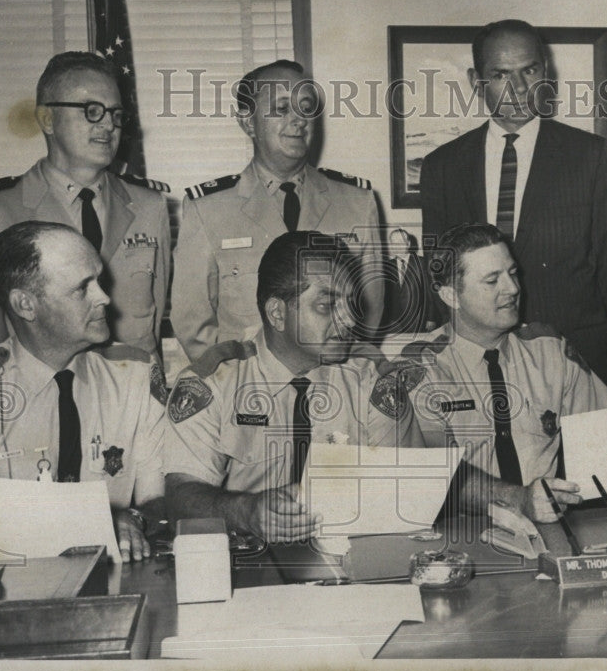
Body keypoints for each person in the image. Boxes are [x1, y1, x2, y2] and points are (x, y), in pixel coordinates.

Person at [0, 221, 166, 562]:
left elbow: (159, 498)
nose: (104, 298)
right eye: (82, 288)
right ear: (26, 304)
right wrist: (85, 523)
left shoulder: (136, 376)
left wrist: (133, 518)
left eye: (99, 280)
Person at [165, 231, 420, 542]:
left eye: (351, 304)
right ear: (277, 314)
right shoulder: (214, 382)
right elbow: (180, 495)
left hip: (351, 556)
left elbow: (408, 491)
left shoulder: (372, 381)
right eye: (327, 306)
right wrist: (245, 511)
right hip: (248, 564)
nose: (350, 320)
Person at [420, 19, 607, 384]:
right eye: (501, 74)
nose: (519, 88)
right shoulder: (443, 167)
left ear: (545, 72)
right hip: (477, 370)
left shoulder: (593, 158)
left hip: (576, 369)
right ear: (477, 82)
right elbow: (440, 278)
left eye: (529, 70)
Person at [380, 222, 607, 522]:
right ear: (451, 296)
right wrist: (519, 499)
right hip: (460, 535)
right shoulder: (419, 369)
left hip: (551, 527)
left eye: (512, 273)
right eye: (492, 281)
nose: (513, 289)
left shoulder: (550, 351)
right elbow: (433, 472)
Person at [0, 51, 171, 360]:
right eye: (92, 110)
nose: (108, 124)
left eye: (116, 114)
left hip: (134, 398)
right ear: (47, 119)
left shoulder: (150, 206)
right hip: (45, 402)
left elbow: (152, 325)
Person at [171, 60, 384, 362]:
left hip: (335, 384)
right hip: (247, 387)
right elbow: (192, 322)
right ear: (248, 123)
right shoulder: (209, 208)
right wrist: (229, 378)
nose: (299, 120)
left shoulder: (356, 201)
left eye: (306, 108)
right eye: (282, 109)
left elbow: (370, 308)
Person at [377, 227, 436, 340]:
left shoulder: (423, 263)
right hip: (394, 322)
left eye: (400, 242)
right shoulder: (386, 266)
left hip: (418, 319)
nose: (397, 246)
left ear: (408, 243)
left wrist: (431, 318)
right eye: (394, 243)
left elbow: (431, 294)